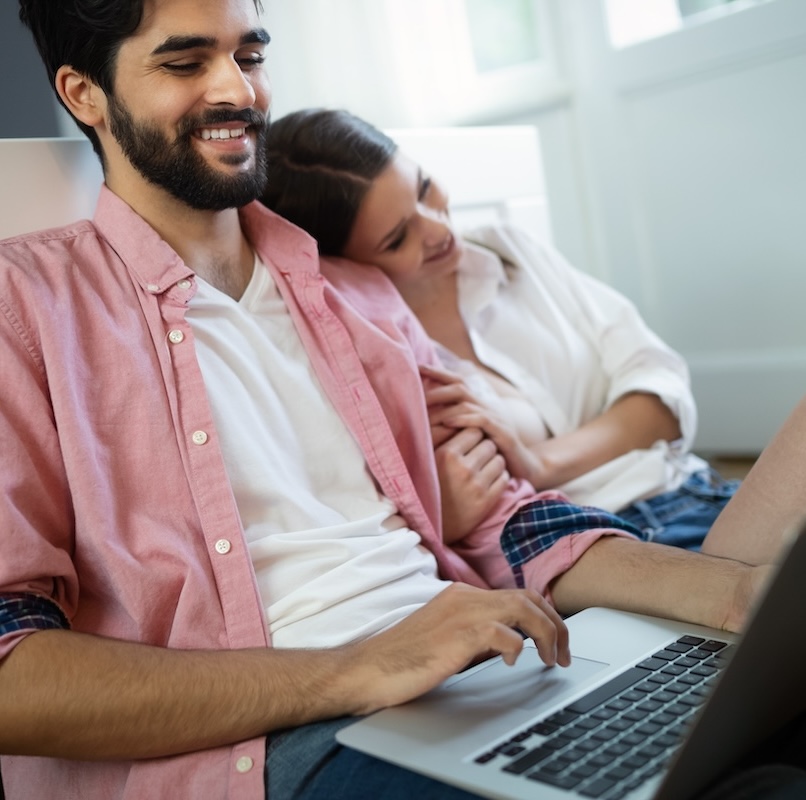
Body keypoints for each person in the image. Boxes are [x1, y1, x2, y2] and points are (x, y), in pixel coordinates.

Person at [0, 4, 790, 800]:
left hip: (486, 669)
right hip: (285, 740)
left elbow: (506, 520)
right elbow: (11, 670)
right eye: (184, 64)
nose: (235, 90)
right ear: (84, 93)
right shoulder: (24, 310)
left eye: (250, 54)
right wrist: (362, 667)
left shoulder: (357, 298)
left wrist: (737, 597)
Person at [261, 108, 740, 552]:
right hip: (605, 541)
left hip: (698, 486)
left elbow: (662, 391)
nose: (438, 230)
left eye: (424, 188)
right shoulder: (387, 369)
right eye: (398, 237)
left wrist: (541, 464)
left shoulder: (508, 249)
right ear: (345, 266)